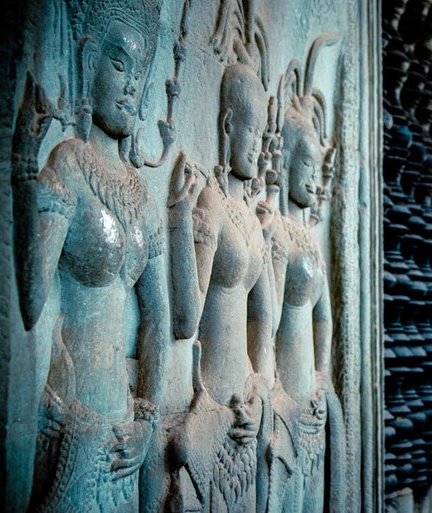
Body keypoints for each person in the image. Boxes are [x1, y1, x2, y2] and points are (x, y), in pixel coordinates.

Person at [11, 1, 168, 510]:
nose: (130, 86)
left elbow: (158, 320)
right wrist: (20, 172)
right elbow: (33, 303)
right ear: (88, 60)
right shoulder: (70, 165)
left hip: (125, 438)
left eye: (138, 74)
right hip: (71, 428)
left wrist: (146, 419)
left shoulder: (143, 197)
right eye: (118, 64)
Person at [166, 40, 277, 513]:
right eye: (251, 132)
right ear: (229, 127)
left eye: (262, 136)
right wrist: (179, 221)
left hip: (245, 403)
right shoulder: (209, 203)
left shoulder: (254, 221)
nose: (257, 145)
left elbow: (266, 325)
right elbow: (186, 319)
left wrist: (260, 396)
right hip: (208, 400)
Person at [267, 35, 344, 513]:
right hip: (280, 391)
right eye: (307, 166)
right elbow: (267, 316)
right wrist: (275, 391)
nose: (315, 181)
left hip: (309, 391)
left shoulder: (310, 242)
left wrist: (319, 379)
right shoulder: (273, 231)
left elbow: (325, 319)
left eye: (318, 170)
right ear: (287, 161)